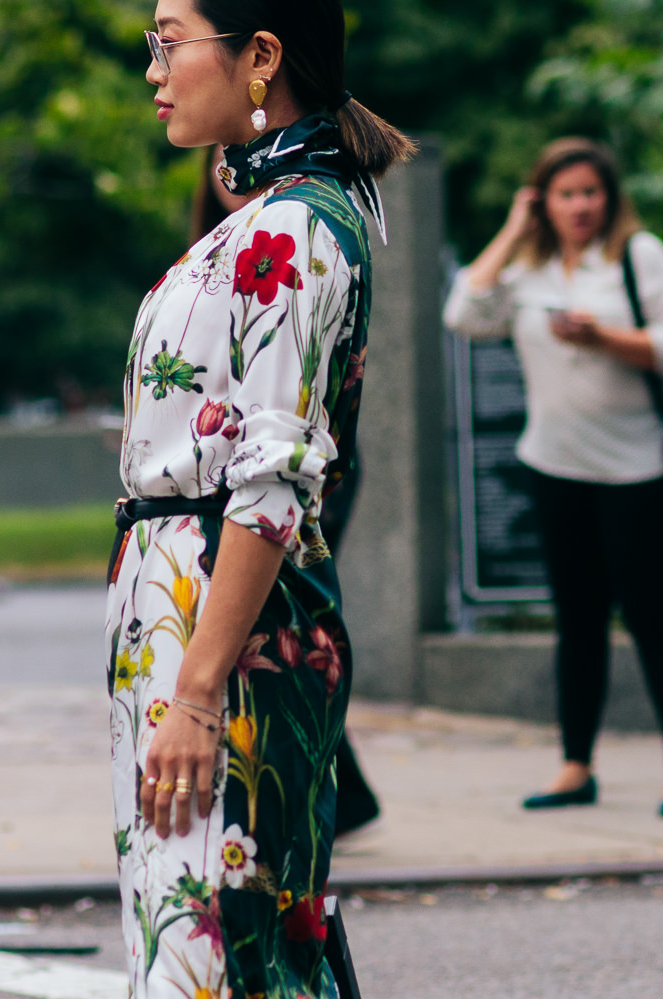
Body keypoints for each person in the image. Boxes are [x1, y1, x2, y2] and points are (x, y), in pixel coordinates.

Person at [107, 0, 410, 999]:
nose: (153, 65)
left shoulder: (292, 233)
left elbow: (271, 480)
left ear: (263, 50)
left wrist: (194, 686)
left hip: (222, 641)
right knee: (273, 998)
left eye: (171, 34)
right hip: (222, 632)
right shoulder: (272, 214)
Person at [443, 139, 663, 817]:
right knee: (578, 624)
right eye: (564, 194)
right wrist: (511, 230)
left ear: (610, 197)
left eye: (591, 192)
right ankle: (575, 765)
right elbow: (464, 314)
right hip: (555, 468)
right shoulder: (530, 270)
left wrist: (605, 341)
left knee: (654, 621)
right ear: (543, 201)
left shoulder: (640, 258)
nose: (580, 205)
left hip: (638, 469)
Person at [189, 146, 382, 836]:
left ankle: (327, 788)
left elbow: (276, 463)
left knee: (281, 620)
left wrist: (194, 692)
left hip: (273, 489)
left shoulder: (296, 234)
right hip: (228, 504)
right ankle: (337, 790)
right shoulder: (208, 256)